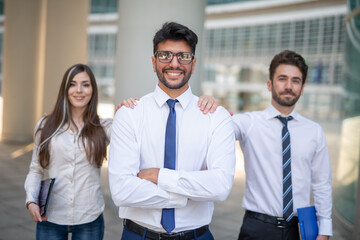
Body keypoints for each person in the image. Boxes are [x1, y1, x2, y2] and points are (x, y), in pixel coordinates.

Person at [122, 50, 333, 240]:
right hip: (258, 225)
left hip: (301, 228)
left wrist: (324, 230)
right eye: (282, 79)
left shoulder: (314, 131)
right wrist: (132, 110)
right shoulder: (248, 123)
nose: (288, 86)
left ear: (303, 87)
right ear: (269, 84)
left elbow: (322, 184)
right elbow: (204, 127)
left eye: (296, 81)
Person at [108, 22, 236, 240]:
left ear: (193, 64)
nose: (174, 63)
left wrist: (158, 176)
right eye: (165, 55)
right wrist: (188, 194)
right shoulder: (129, 114)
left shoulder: (216, 117)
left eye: (183, 56)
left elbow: (220, 187)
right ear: (154, 61)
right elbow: (122, 191)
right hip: (138, 235)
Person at [24, 64, 112, 240]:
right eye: (72, 84)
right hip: (51, 217)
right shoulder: (45, 126)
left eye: (85, 84)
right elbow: (36, 169)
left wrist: (128, 108)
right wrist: (31, 200)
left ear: (93, 90)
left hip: (89, 217)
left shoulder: (104, 127)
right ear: (65, 89)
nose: (79, 90)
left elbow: (137, 134)